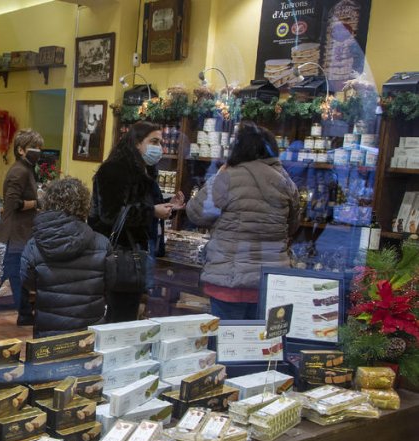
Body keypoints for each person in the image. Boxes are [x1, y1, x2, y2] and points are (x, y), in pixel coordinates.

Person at [186, 122, 300, 320]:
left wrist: (217, 175)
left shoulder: (227, 177)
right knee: (263, 347)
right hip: (270, 283)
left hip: (230, 281)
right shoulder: (286, 182)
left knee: (226, 345)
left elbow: (197, 214)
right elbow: (292, 226)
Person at [89, 121, 181, 322]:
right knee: (118, 315)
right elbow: (110, 214)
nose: (159, 147)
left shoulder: (146, 172)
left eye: (161, 142)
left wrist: (168, 207)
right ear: (137, 143)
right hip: (118, 254)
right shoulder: (113, 170)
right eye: (154, 141)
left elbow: (145, 206)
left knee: (129, 313)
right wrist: (151, 212)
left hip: (138, 253)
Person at [20, 177, 111, 338]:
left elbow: (27, 282)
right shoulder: (102, 243)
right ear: (84, 205)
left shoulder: (35, 244)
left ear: (49, 203)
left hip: (48, 334)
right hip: (89, 334)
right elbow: (110, 284)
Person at [0, 129, 42, 326]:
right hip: (14, 233)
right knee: (4, 274)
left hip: (19, 233)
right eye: (34, 148)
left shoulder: (26, 168)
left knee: (15, 275)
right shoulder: (19, 171)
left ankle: (25, 313)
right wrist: (37, 203)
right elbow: (12, 203)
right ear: (21, 150)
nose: (38, 151)